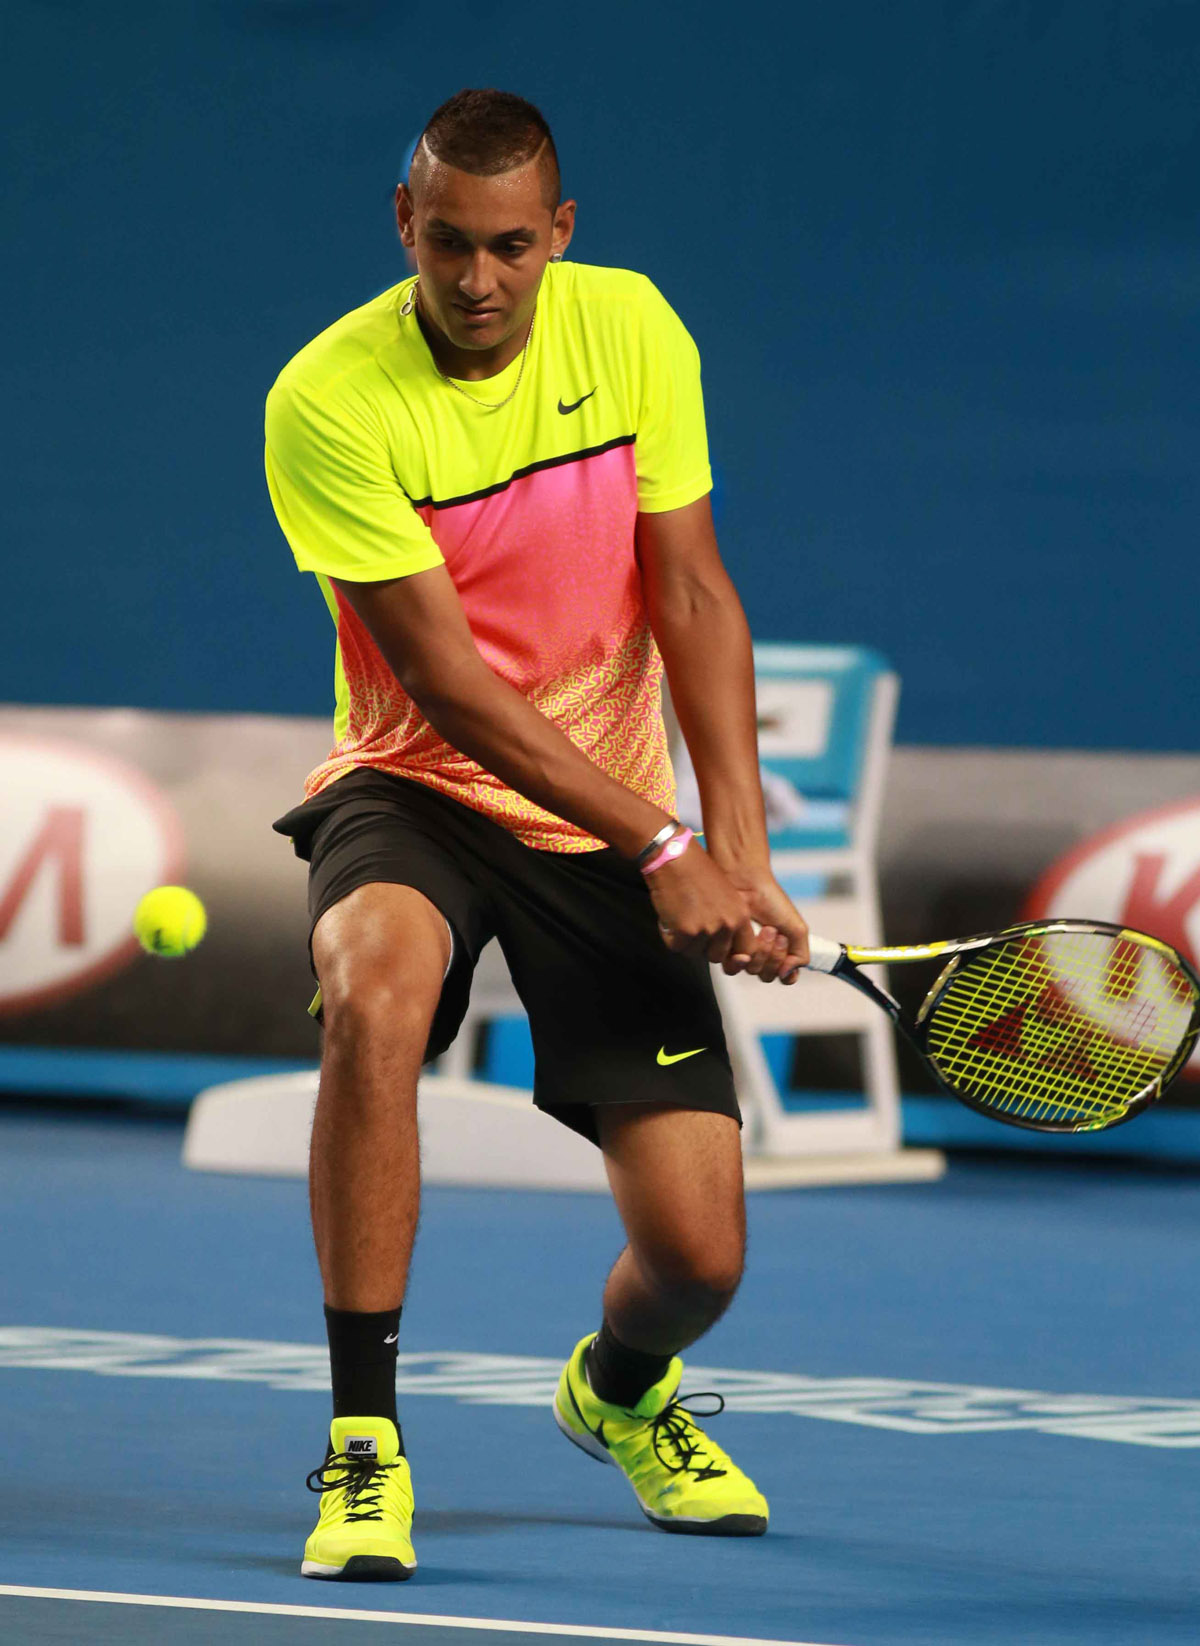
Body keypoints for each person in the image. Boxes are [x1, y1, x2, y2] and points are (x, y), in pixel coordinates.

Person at [265, 87, 810, 1582]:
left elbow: (691, 592)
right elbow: (449, 682)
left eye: (511, 245)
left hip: (607, 808)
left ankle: (619, 1393)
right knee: (373, 991)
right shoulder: (328, 397)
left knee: (698, 1262)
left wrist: (740, 849)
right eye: (449, 242)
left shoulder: (632, 328)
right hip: (419, 785)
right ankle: (364, 1445)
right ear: (405, 224)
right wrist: (665, 848)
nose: (479, 279)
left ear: (558, 232)